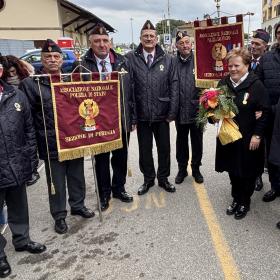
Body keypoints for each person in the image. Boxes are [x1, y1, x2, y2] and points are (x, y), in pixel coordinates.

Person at [19, 39, 94, 235]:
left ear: (61, 60)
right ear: (42, 61)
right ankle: (59, 215)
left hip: (73, 138)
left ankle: (78, 205)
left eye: (56, 57)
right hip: (50, 141)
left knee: (77, 176)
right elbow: (27, 117)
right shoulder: (31, 84)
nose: (52, 60)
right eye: (48, 57)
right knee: (56, 183)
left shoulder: (69, 80)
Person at [78, 24, 135, 211]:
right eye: (97, 41)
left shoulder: (123, 62)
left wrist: (132, 117)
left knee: (121, 157)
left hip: (120, 118)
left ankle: (119, 188)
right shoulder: (81, 64)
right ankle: (104, 193)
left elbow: (132, 91)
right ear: (90, 43)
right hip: (97, 122)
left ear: (110, 43)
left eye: (105, 41)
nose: (102, 45)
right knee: (101, 161)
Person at [0, 63, 46, 278]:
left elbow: (28, 128)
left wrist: (30, 158)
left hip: (16, 161)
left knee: (19, 204)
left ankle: (22, 239)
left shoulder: (15, 95)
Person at [215, 48, 269, 220]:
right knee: (232, 170)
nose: (232, 69)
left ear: (246, 65)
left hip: (248, 138)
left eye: (237, 65)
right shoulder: (223, 83)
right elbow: (214, 107)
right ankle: (236, 198)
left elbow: (265, 112)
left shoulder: (256, 85)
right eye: (230, 65)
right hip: (228, 137)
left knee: (247, 172)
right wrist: (211, 116)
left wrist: (258, 135)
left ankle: (245, 201)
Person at [126, 20, 178, 195]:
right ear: (140, 39)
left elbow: (174, 86)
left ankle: (163, 179)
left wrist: (172, 112)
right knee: (144, 151)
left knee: (164, 149)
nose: (149, 38)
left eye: (151, 36)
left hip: (162, 115)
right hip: (142, 115)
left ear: (157, 39)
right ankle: (148, 179)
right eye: (145, 36)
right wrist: (132, 116)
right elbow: (129, 88)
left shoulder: (168, 59)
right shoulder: (131, 58)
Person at [0, 55, 39, 186]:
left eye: (13, 72)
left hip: (23, 119)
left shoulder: (23, 85)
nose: (11, 75)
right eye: (8, 73)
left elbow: (29, 131)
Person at [174, 31, 204, 185]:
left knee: (197, 141)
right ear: (176, 46)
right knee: (181, 142)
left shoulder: (200, 61)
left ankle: (196, 168)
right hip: (180, 110)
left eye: (187, 42)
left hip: (198, 110)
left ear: (192, 44)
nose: (185, 45)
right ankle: (182, 169)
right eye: (181, 43)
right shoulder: (172, 62)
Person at [256, 22, 280, 202]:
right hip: (272, 114)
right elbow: (258, 86)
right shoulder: (267, 58)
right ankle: (275, 186)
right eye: (279, 33)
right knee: (272, 155)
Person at [250, 29, 270, 191]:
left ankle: (258, 176)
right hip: (247, 110)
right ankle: (252, 174)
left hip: (262, 111)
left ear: (265, 46)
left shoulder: (269, 62)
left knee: (262, 144)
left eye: (257, 44)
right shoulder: (246, 60)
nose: (253, 46)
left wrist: (264, 110)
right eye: (252, 43)